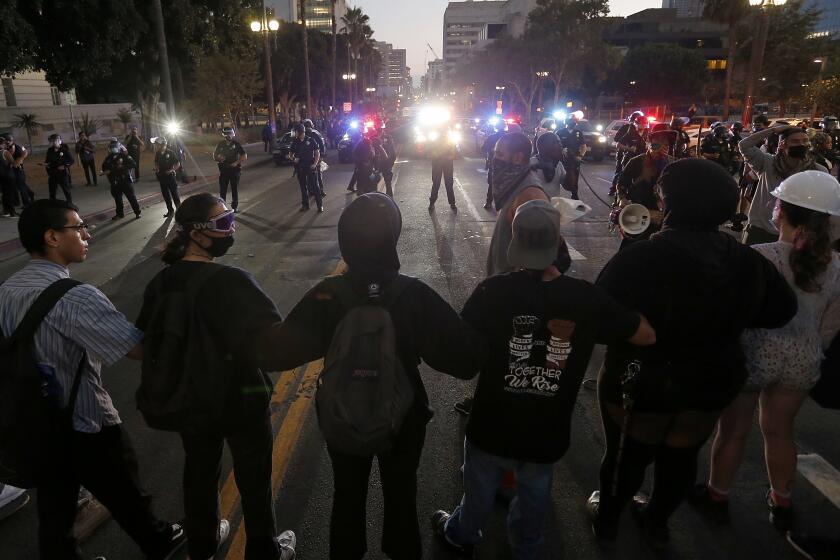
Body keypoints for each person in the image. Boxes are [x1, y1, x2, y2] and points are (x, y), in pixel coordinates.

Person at [585, 159, 798, 549]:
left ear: (672, 203)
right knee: (681, 456)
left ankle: (609, 519)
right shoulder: (747, 260)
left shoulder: (640, 257)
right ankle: (657, 521)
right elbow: (782, 310)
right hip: (710, 379)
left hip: (643, 379)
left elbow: (597, 317)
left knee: (625, 456)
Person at [432, 200, 656, 559]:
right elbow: (644, 335)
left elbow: (462, 355)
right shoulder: (585, 298)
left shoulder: (492, 291)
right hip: (546, 426)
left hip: (493, 420)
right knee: (535, 492)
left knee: (477, 487)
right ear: (557, 242)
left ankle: (462, 534)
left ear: (515, 240)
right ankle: (526, 547)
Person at [267, 192, 485, 560]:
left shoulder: (328, 294)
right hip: (403, 415)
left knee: (347, 494)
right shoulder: (414, 295)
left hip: (342, 412)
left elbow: (279, 352)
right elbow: (465, 361)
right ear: (393, 237)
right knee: (401, 492)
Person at [0, 199, 186, 560]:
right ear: (52, 237)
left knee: (54, 505)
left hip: (31, 422)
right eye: (78, 227)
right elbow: (138, 349)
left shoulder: (5, 290)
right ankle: (161, 543)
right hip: (85, 423)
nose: (87, 233)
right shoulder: (75, 298)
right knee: (126, 491)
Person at [137, 192, 296, 560]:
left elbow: (146, 339)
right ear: (198, 233)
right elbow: (274, 346)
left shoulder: (160, 283)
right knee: (253, 476)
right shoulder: (232, 281)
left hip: (188, 400)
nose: (231, 229)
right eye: (224, 224)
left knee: (199, 472)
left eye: (232, 219)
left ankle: (203, 545)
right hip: (240, 398)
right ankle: (264, 550)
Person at [692, 171, 840, 531]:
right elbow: (831, 326)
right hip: (803, 360)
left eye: (777, 202)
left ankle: (718, 495)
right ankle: (781, 500)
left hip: (753, 356)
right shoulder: (836, 266)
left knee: (733, 431)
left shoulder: (756, 256)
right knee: (779, 431)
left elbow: (733, 312)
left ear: (782, 213)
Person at [740, 124, 829, 245]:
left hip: (796, 234)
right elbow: (744, 145)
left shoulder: (818, 171)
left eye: (805, 141)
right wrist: (773, 130)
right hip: (761, 229)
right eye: (795, 141)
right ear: (782, 144)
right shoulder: (767, 163)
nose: (801, 145)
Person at [486, 133, 549, 277]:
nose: (495, 160)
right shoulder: (513, 183)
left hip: (510, 290)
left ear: (518, 158)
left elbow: (535, 260)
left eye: (499, 154)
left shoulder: (529, 194)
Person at [614, 129, 675, 249]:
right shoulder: (636, 162)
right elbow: (621, 183)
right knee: (630, 250)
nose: (663, 146)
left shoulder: (673, 164)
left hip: (663, 220)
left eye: (666, 144)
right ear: (650, 143)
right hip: (638, 215)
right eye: (658, 142)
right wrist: (622, 199)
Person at [101, 140, 141, 220]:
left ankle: (137, 212)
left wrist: (122, 167)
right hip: (115, 182)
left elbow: (133, 164)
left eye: (114, 147)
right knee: (118, 199)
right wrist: (105, 172)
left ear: (118, 148)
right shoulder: (108, 158)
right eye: (111, 147)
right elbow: (104, 167)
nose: (113, 149)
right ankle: (120, 214)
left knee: (131, 197)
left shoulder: (124, 156)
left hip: (125, 180)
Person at [290, 123, 323, 213]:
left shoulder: (311, 140)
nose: (294, 133)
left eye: (295, 131)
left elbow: (317, 153)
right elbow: (291, 154)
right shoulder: (295, 142)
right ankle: (305, 205)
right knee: (303, 188)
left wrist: (315, 164)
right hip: (300, 168)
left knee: (316, 187)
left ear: (300, 132)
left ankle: (320, 205)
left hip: (310, 167)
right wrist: (293, 159)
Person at [611, 112, 646, 195]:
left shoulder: (645, 133)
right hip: (624, 155)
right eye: (639, 122)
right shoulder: (627, 130)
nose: (643, 125)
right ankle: (614, 190)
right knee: (621, 173)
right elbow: (617, 141)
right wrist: (628, 147)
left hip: (639, 159)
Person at [213, 127, 247, 212]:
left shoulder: (236, 144)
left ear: (233, 134)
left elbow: (244, 156)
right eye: (227, 134)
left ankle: (234, 206)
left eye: (230, 133)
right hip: (224, 171)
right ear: (224, 135)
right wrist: (219, 159)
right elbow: (214, 155)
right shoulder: (220, 144)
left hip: (234, 170)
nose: (229, 135)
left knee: (234, 189)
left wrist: (236, 162)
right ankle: (223, 208)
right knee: (222, 191)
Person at [428, 129, 459, 212]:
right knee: (448, 184)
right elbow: (455, 153)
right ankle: (452, 203)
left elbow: (430, 152)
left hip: (438, 164)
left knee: (436, 184)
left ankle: (432, 203)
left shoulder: (435, 140)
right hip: (447, 164)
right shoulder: (450, 141)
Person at [557, 116, 586, 200]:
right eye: (570, 122)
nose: (572, 124)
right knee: (559, 176)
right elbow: (554, 145)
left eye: (573, 122)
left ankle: (574, 194)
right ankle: (556, 194)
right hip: (562, 159)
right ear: (566, 123)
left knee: (575, 177)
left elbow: (583, 146)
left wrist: (580, 156)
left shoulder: (578, 133)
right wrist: (562, 150)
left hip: (575, 159)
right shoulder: (560, 132)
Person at [2, 133, 34, 209]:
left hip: (18, 170)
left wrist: (19, 160)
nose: (4, 143)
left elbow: (24, 153)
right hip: (11, 170)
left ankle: (27, 203)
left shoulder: (17, 147)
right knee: (17, 186)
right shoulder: (5, 149)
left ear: (9, 141)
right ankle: (29, 194)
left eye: (5, 141)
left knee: (21, 186)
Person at [153, 136, 182, 218]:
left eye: (157, 144)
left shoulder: (171, 153)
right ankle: (170, 211)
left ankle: (179, 211)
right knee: (166, 195)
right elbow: (156, 163)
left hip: (170, 177)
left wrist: (172, 170)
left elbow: (178, 164)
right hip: (162, 177)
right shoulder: (158, 153)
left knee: (174, 194)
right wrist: (157, 168)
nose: (156, 146)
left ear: (162, 144)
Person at [530, 131, 567, 196]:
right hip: (535, 205)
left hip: (553, 204)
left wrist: (571, 166)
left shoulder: (558, 164)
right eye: (556, 142)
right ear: (545, 146)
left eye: (560, 142)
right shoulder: (531, 163)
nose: (561, 145)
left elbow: (568, 186)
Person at [44, 133, 74, 204]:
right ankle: (52, 204)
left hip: (62, 174)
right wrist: (46, 164)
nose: (53, 142)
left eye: (55, 141)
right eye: (52, 141)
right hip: (52, 173)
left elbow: (71, 160)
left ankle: (70, 203)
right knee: (52, 191)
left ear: (59, 141)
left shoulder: (64, 150)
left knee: (66, 190)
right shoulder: (50, 150)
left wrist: (64, 166)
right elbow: (47, 160)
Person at [481, 125, 506, 209]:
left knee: (492, 184)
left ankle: (488, 203)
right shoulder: (508, 138)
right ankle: (503, 204)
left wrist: (488, 157)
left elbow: (483, 149)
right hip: (507, 165)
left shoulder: (492, 137)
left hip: (494, 164)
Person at [303, 119, 327, 197]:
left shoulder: (304, 134)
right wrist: (322, 156)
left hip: (308, 159)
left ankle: (312, 191)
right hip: (316, 157)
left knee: (309, 176)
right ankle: (320, 191)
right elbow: (322, 144)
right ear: (311, 125)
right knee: (318, 175)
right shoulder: (315, 133)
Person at [0, 135, 18, 217]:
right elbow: (14, 164)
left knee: (5, 194)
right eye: (4, 143)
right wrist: (23, 155)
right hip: (9, 177)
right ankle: (12, 212)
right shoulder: (5, 152)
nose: (5, 145)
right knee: (10, 194)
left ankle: (6, 211)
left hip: (1, 177)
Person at [379, 128, 398, 198]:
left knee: (388, 181)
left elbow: (393, 155)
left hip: (386, 164)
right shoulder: (380, 142)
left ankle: (389, 195)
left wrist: (390, 164)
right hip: (383, 165)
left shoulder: (388, 144)